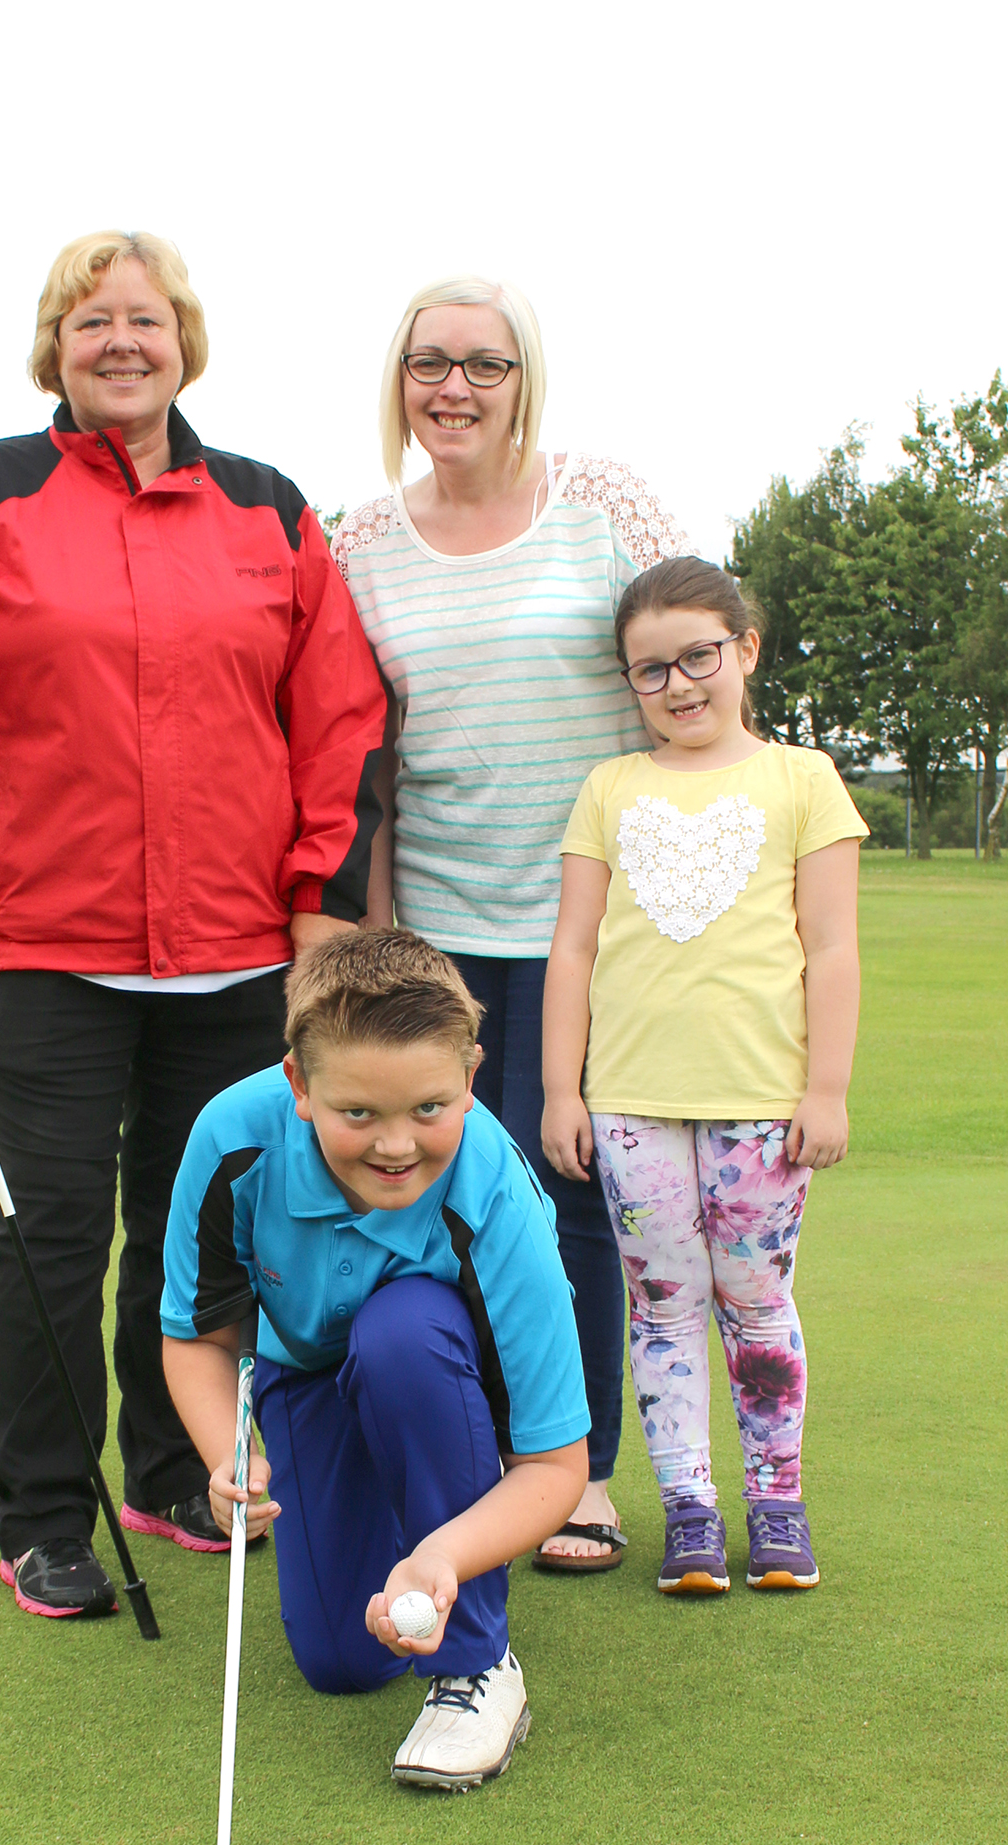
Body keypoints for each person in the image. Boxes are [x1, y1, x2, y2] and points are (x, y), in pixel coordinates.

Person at [0, 231, 385, 1619]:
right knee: (50, 1228)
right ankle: (44, 1514)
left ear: (188, 340)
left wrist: (319, 913)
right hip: (44, 943)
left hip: (237, 951)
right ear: (54, 346)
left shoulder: (270, 509)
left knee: (201, 1232)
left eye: (148, 319)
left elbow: (338, 715)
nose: (123, 342)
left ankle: (173, 1471)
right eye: (92, 321)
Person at [331, 277, 694, 1576]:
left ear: (522, 377)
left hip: (590, 933)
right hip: (432, 939)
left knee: (569, 1199)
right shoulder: (356, 539)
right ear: (401, 380)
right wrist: (363, 946)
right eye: (431, 362)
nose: (455, 388)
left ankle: (577, 1473)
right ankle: (456, 1460)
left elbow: (690, 664)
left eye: (484, 364)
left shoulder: (605, 506)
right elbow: (352, 753)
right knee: (433, 1200)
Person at [161, 930, 589, 1790]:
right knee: (344, 1661)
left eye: (429, 1108)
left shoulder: (496, 1192)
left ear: (471, 1076)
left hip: (435, 1372)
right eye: (359, 1113)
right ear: (300, 1087)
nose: (397, 1146)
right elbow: (195, 1337)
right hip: (304, 1368)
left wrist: (448, 1557)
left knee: (403, 1332)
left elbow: (555, 1465)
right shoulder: (231, 1140)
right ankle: (406, 1512)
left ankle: (478, 1664)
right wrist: (227, 1453)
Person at [542, 556, 867, 1593]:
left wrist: (826, 1090)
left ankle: (778, 1504)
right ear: (629, 683)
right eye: (652, 670)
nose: (681, 684)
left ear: (745, 650)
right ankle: (689, 1507)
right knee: (665, 1309)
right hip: (632, 1103)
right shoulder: (611, 787)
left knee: (757, 1303)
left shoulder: (802, 778)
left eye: (699, 657)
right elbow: (575, 949)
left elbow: (834, 945)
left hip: (764, 1106)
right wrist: (562, 1089)